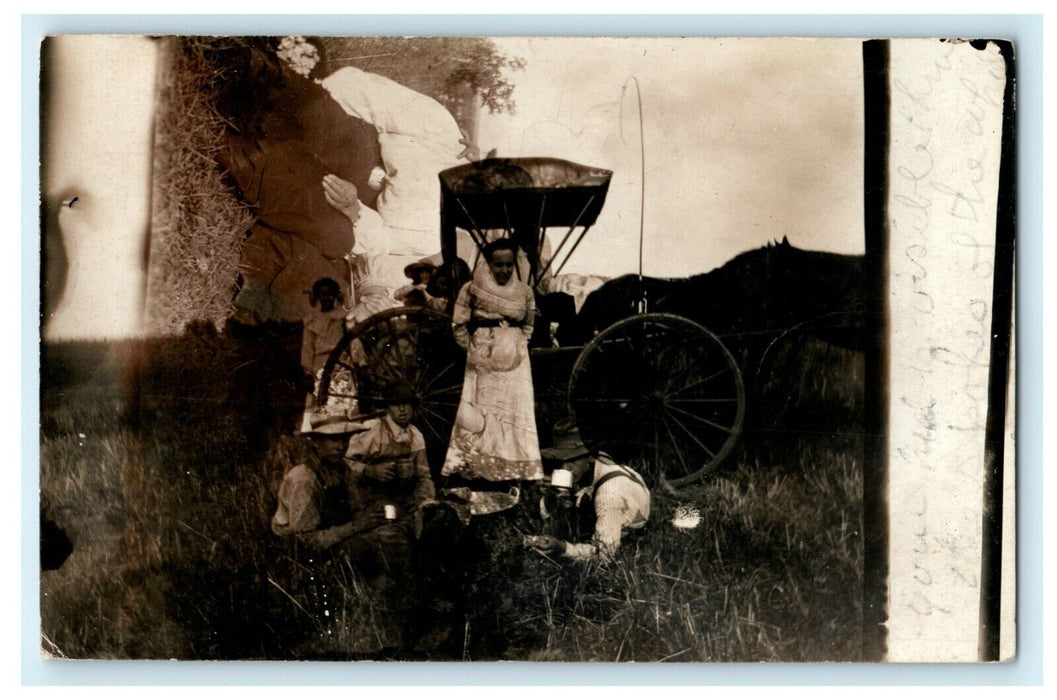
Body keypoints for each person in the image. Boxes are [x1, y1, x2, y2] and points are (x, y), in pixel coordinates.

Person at [442, 238, 543, 482]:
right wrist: (471, 347)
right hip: (482, 356)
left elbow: (529, 323)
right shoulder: (472, 288)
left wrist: (519, 345)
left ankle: (515, 468)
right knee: (483, 409)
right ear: (488, 264)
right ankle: (479, 467)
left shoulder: (524, 291)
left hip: (515, 362)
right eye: (499, 265)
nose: (504, 271)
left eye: (509, 265)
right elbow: (459, 321)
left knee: (515, 412)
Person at [529, 424, 651, 562]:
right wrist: (551, 495)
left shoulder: (609, 494)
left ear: (591, 457)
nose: (565, 468)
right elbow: (548, 513)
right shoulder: (598, 464)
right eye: (560, 460)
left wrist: (562, 548)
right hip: (616, 513)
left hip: (628, 536)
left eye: (572, 460)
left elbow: (605, 554)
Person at [271, 414, 366, 550]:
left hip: (330, 531)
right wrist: (357, 526)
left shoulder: (341, 467)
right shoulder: (304, 479)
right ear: (315, 442)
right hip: (295, 546)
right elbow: (306, 539)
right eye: (334, 440)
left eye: (345, 439)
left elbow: (354, 505)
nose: (341, 446)